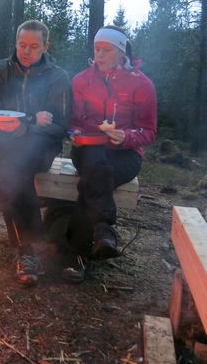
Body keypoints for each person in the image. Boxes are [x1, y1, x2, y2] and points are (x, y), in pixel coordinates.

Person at [0, 20, 70, 286]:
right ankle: (29, 254)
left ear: (46, 46)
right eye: (22, 45)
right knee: (19, 177)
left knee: (20, 161)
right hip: (4, 143)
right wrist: (26, 124)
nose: (26, 51)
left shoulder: (58, 78)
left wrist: (28, 127)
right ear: (16, 43)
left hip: (42, 148)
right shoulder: (0, 70)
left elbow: (60, 126)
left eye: (34, 46)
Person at [48, 25, 157, 283]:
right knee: (96, 163)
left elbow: (149, 131)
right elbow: (72, 121)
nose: (100, 54)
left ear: (121, 51)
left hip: (126, 155)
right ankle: (103, 230)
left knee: (93, 178)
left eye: (106, 50)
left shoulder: (141, 84)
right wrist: (75, 132)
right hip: (86, 149)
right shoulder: (82, 80)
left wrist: (127, 136)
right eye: (97, 49)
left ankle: (77, 255)